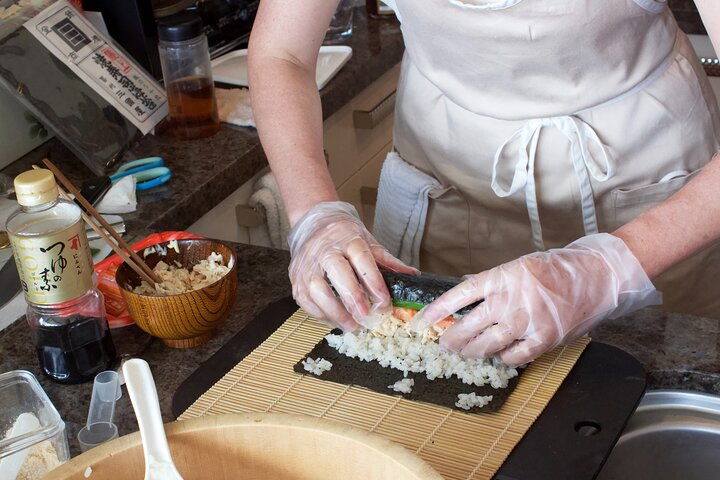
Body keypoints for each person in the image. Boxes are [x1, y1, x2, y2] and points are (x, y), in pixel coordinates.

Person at [248, 0, 720, 367]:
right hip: (448, 193)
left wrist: (608, 270)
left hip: (652, 197)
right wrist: (316, 216)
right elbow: (281, 53)